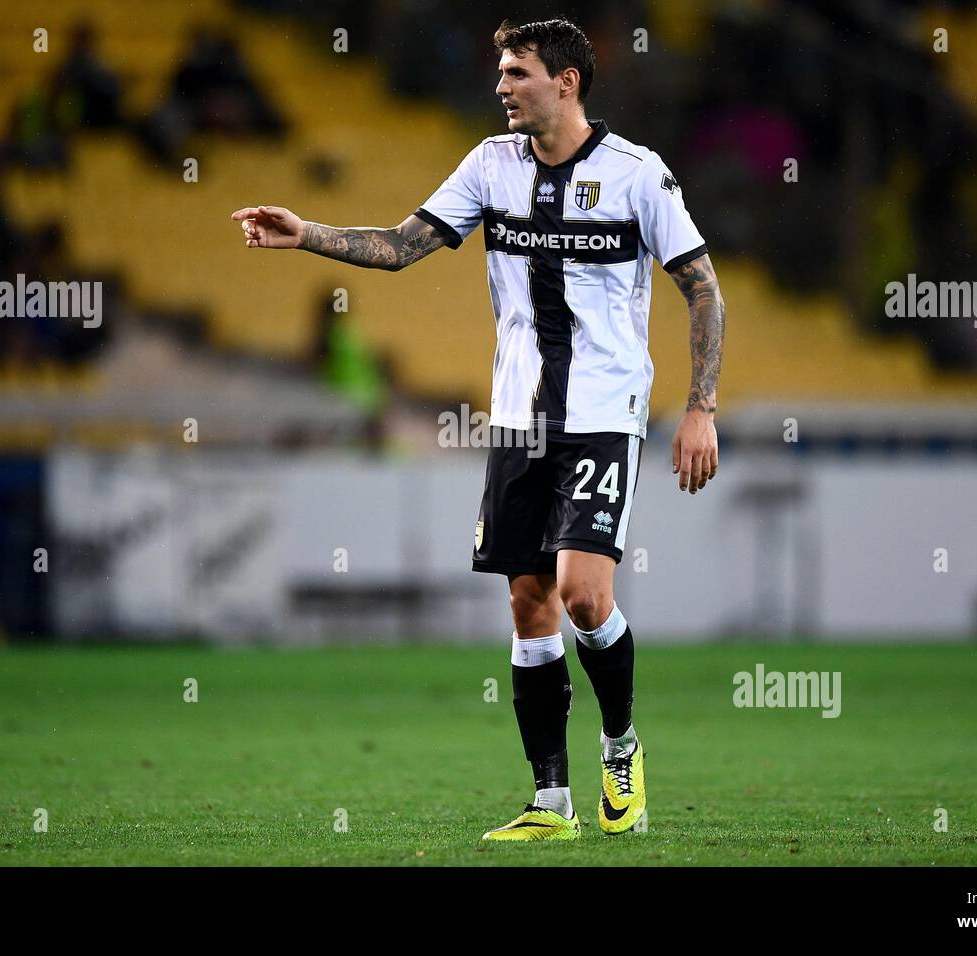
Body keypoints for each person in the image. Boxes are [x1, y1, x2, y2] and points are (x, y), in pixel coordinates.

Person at [230, 17, 725, 842]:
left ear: (565, 81)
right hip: (517, 420)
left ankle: (622, 747)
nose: (501, 86)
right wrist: (304, 233)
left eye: (517, 72)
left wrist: (701, 405)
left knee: (583, 593)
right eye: (500, 72)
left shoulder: (640, 174)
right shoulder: (490, 166)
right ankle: (550, 803)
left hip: (603, 415)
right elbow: (400, 246)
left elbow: (702, 287)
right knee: (530, 605)